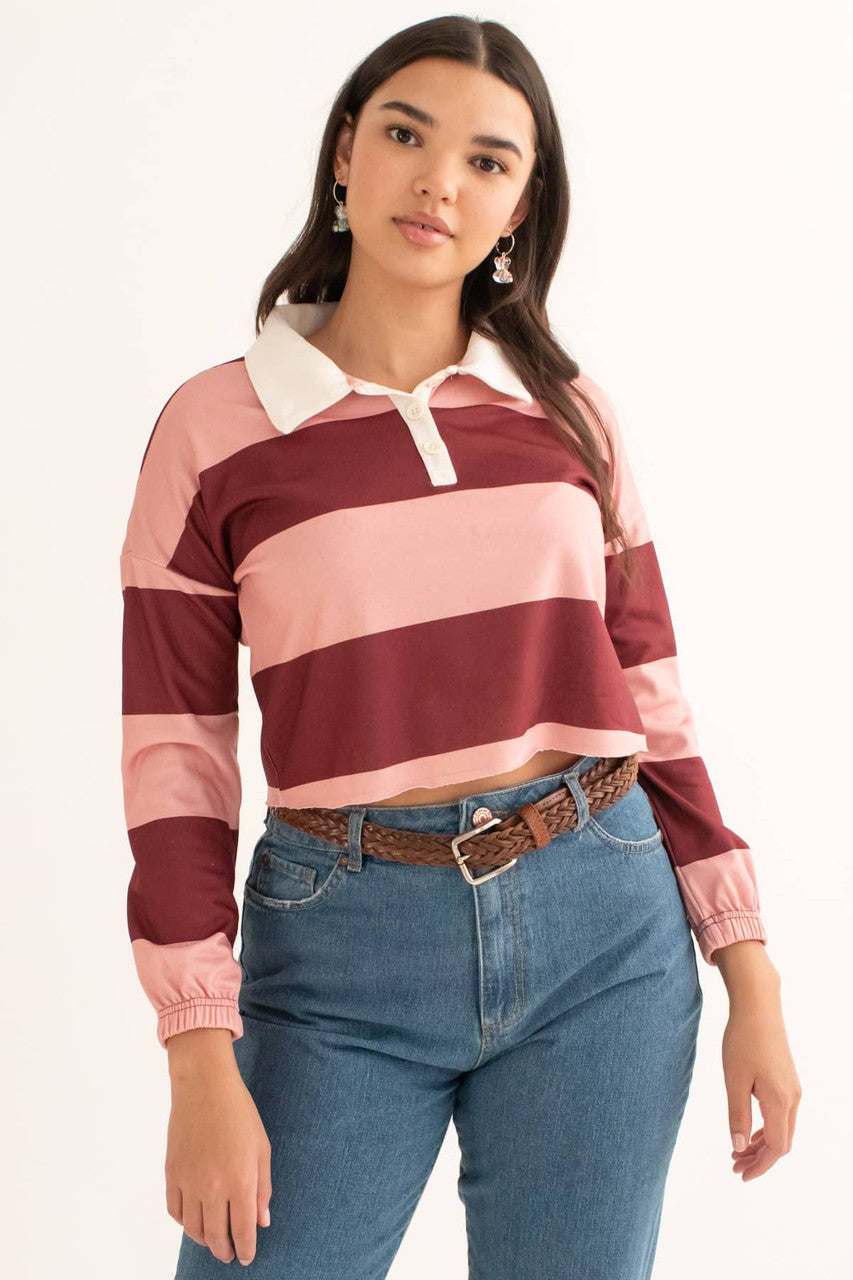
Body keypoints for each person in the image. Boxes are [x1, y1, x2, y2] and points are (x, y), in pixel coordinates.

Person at [119, 16, 801, 1279]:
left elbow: (651, 699)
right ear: (346, 154)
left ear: (518, 207)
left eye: (487, 161)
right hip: (339, 949)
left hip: (604, 926)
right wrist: (197, 1051)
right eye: (405, 135)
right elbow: (177, 756)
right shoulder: (215, 431)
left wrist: (746, 968)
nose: (439, 180)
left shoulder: (568, 413)